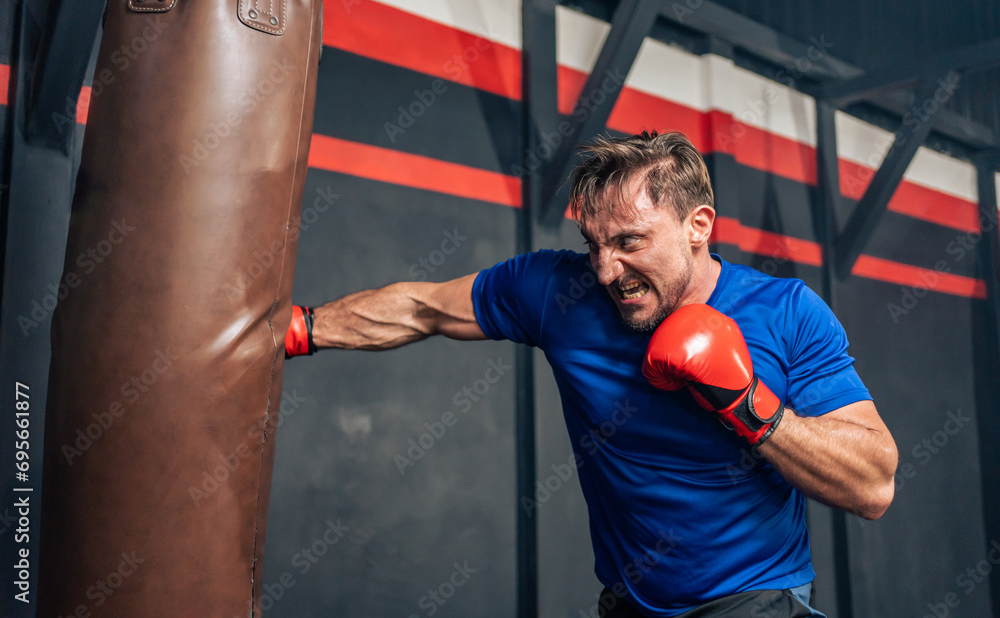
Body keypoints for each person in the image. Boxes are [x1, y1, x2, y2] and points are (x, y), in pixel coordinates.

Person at [284, 131, 898, 617]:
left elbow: (873, 485)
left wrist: (749, 406)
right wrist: (301, 329)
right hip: (628, 602)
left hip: (751, 599)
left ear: (698, 226)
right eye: (593, 243)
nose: (607, 271)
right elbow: (423, 307)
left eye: (630, 242)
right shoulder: (561, 289)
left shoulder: (787, 313)